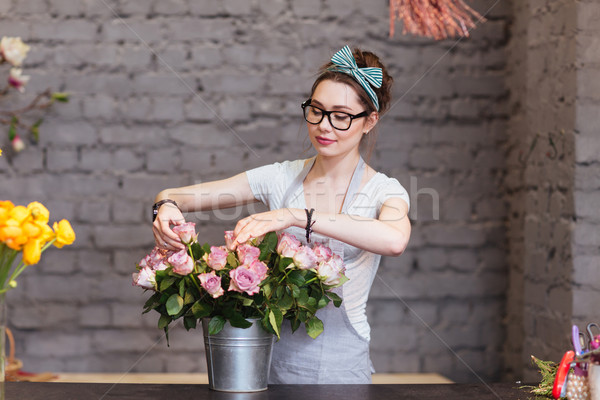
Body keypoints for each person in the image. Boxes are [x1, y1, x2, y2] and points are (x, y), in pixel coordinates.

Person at [152, 45, 411, 384]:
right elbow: (175, 196)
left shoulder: (384, 191)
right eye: (316, 110)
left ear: (370, 121)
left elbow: (393, 240)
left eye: (341, 116)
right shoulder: (279, 177)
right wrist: (164, 206)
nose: (323, 126)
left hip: (342, 371)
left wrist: (294, 216)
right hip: (268, 368)